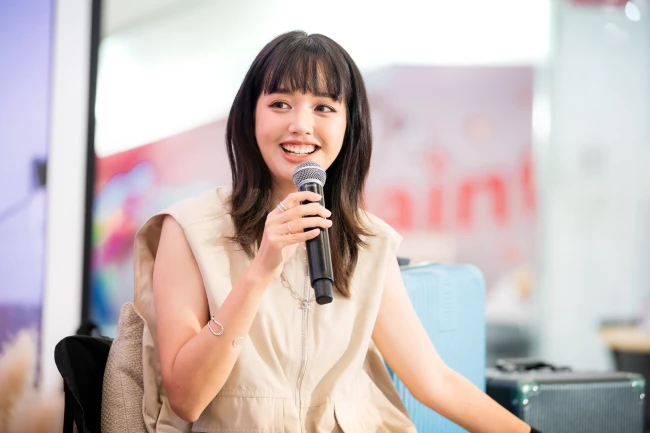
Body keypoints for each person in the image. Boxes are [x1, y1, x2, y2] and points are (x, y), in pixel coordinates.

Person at [133, 30, 541, 432]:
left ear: (349, 125)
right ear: (250, 116)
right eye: (280, 104)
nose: (300, 125)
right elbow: (187, 398)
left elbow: (434, 381)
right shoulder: (191, 228)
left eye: (323, 107)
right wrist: (258, 274)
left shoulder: (367, 240)